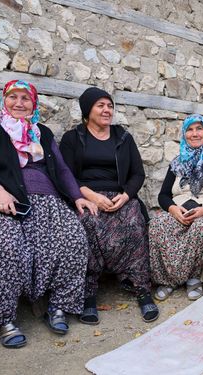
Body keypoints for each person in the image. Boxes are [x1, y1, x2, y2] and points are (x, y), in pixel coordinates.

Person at [0, 80, 97, 348]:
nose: (19, 103)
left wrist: (77, 196)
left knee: (72, 239)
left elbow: (61, 169)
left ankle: (58, 306)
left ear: (33, 104)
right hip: (2, 203)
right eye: (13, 97)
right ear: (5, 100)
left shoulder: (42, 133)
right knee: (1, 245)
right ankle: (5, 320)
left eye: (26, 98)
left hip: (47, 201)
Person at [59, 87, 158, 324]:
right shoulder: (73, 138)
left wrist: (125, 196)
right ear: (87, 110)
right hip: (86, 196)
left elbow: (137, 173)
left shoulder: (123, 137)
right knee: (87, 222)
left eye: (110, 106)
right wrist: (90, 196)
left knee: (135, 221)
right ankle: (88, 293)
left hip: (119, 195)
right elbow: (65, 175)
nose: (107, 110)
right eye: (100, 105)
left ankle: (141, 288)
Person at [149, 114, 203, 301]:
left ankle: (187, 278)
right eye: (190, 129)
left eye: (199, 128)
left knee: (201, 227)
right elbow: (163, 195)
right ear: (184, 134)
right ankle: (168, 279)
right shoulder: (178, 161)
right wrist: (173, 210)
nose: (195, 134)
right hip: (182, 211)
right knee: (157, 224)